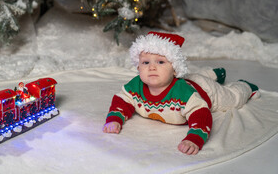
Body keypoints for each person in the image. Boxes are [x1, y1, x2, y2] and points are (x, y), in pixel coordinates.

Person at [103, 31, 260, 155]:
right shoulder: (135, 85)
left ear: (175, 68)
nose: (151, 67)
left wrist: (194, 138)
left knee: (231, 99)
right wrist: (115, 119)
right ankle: (214, 73)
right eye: (145, 62)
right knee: (193, 77)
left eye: (160, 62)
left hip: (206, 91)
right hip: (191, 79)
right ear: (138, 67)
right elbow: (122, 101)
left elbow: (201, 113)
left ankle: (245, 86)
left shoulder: (183, 93)